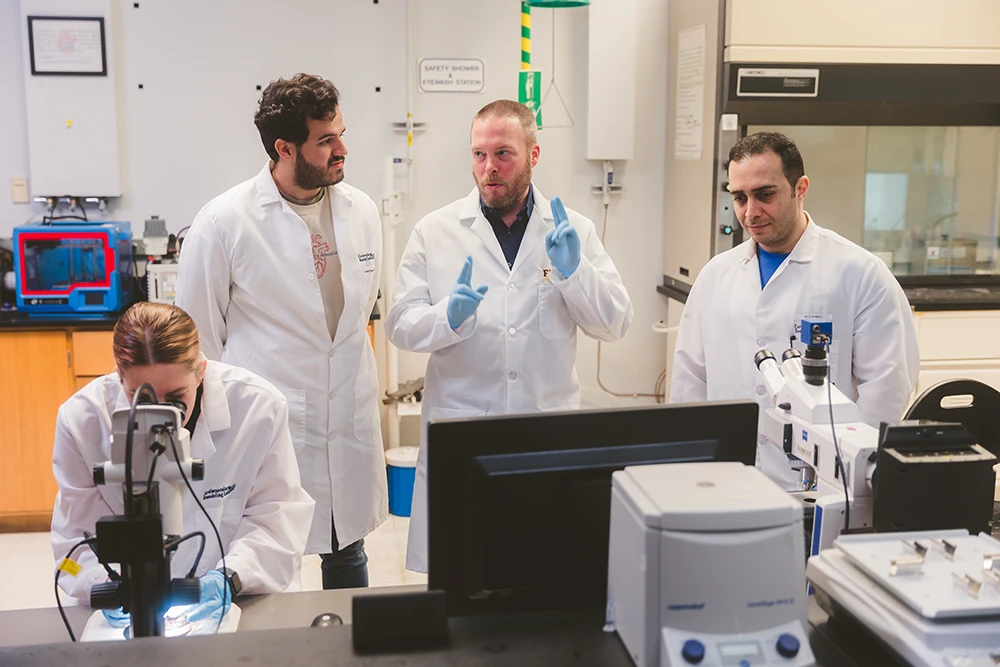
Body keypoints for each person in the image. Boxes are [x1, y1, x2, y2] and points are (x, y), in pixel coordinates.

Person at [384, 99, 633, 572]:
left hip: (544, 438)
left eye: (503, 153)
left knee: (541, 580)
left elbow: (615, 323)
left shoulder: (571, 231)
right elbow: (399, 323)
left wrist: (574, 273)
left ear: (533, 155)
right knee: (462, 583)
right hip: (463, 438)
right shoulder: (434, 231)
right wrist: (448, 318)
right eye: (479, 154)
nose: (488, 168)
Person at [175, 73, 386, 589]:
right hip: (270, 423)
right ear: (284, 148)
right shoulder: (224, 222)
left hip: (347, 415)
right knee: (267, 563)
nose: (343, 149)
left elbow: (357, 318)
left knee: (346, 547)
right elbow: (200, 341)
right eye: (326, 140)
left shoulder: (362, 211)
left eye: (341, 133)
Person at [670, 131, 919, 485]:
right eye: (739, 197)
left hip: (823, 487)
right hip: (726, 478)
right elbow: (689, 381)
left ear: (800, 188)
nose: (750, 212)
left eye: (765, 194)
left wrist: (847, 475)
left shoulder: (859, 273)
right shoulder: (715, 276)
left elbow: (886, 388)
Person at [51, 302, 315, 621]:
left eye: (176, 398)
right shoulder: (81, 422)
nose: (162, 415)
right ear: (119, 378)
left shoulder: (258, 408)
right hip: (130, 609)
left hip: (239, 598)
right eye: (142, 399)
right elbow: (69, 552)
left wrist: (231, 577)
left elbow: (278, 523)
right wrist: (100, 583)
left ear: (201, 371)